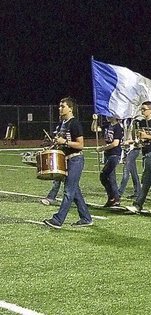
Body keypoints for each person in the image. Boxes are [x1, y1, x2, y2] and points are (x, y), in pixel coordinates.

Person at [42, 97, 92, 228]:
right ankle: (86, 218)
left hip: (75, 159)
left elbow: (81, 145)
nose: (59, 108)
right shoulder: (62, 124)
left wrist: (64, 142)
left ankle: (58, 220)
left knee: (69, 191)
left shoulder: (74, 123)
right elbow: (60, 143)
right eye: (59, 106)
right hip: (66, 160)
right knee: (75, 191)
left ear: (70, 108)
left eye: (62, 106)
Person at [126, 101, 151, 214]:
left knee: (149, 179)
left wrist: (147, 136)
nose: (142, 111)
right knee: (150, 179)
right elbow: (141, 139)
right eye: (142, 109)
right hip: (145, 152)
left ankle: (140, 205)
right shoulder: (142, 122)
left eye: (144, 109)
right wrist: (133, 141)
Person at [96, 115, 124, 206]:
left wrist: (102, 148)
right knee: (111, 178)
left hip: (115, 154)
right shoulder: (107, 125)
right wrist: (94, 120)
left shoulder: (118, 127)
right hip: (107, 154)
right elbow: (95, 129)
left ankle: (113, 197)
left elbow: (115, 143)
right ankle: (114, 199)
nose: (107, 116)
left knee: (104, 175)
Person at [118, 117, 141, 200]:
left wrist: (128, 142)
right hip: (127, 148)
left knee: (126, 171)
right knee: (133, 172)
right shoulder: (125, 121)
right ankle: (138, 192)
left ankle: (119, 193)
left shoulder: (135, 122)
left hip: (134, 149)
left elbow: (138, 139)